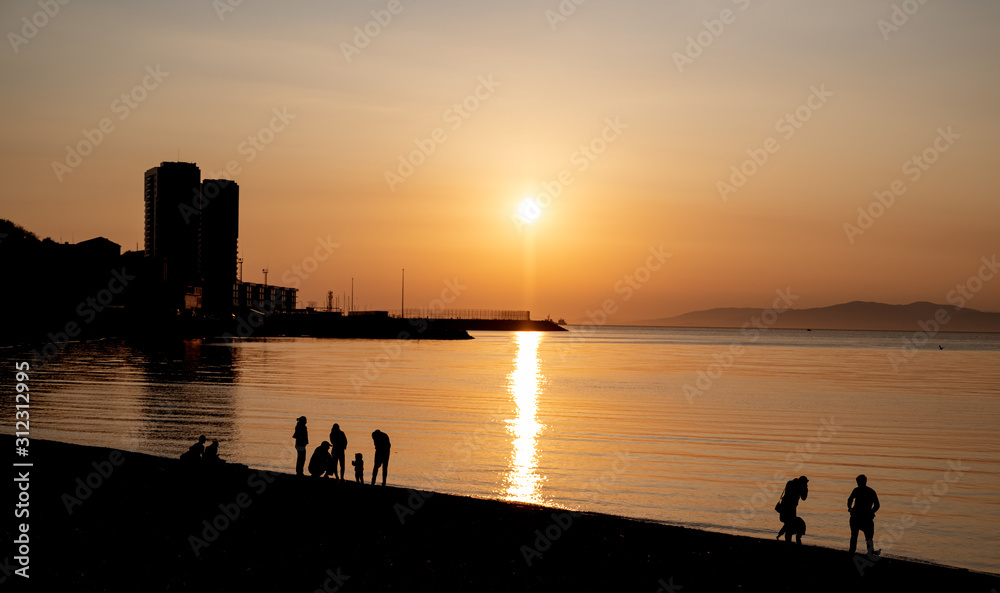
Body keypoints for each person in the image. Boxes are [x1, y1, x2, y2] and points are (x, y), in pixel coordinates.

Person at [848, 474, 881, 558]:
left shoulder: (857, 490)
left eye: (858, 482)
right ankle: (869, 552)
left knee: (856, 535)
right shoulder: (870, 491)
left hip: (859, 516)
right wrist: (871, 512)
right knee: (868, 537)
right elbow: (877, 505)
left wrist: (850, 508)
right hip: (864, 517)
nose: (857, 483)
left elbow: (850, 500)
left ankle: (852, 552)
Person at [776, 476, 809, 543]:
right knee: (789, 525)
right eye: (805, 483)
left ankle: (784, 537)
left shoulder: (790, 483)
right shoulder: (799, 487)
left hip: (784, 506)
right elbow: (804, 498)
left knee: (788, 524)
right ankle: (787, 541)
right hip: (791, 508)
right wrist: (805, 489)